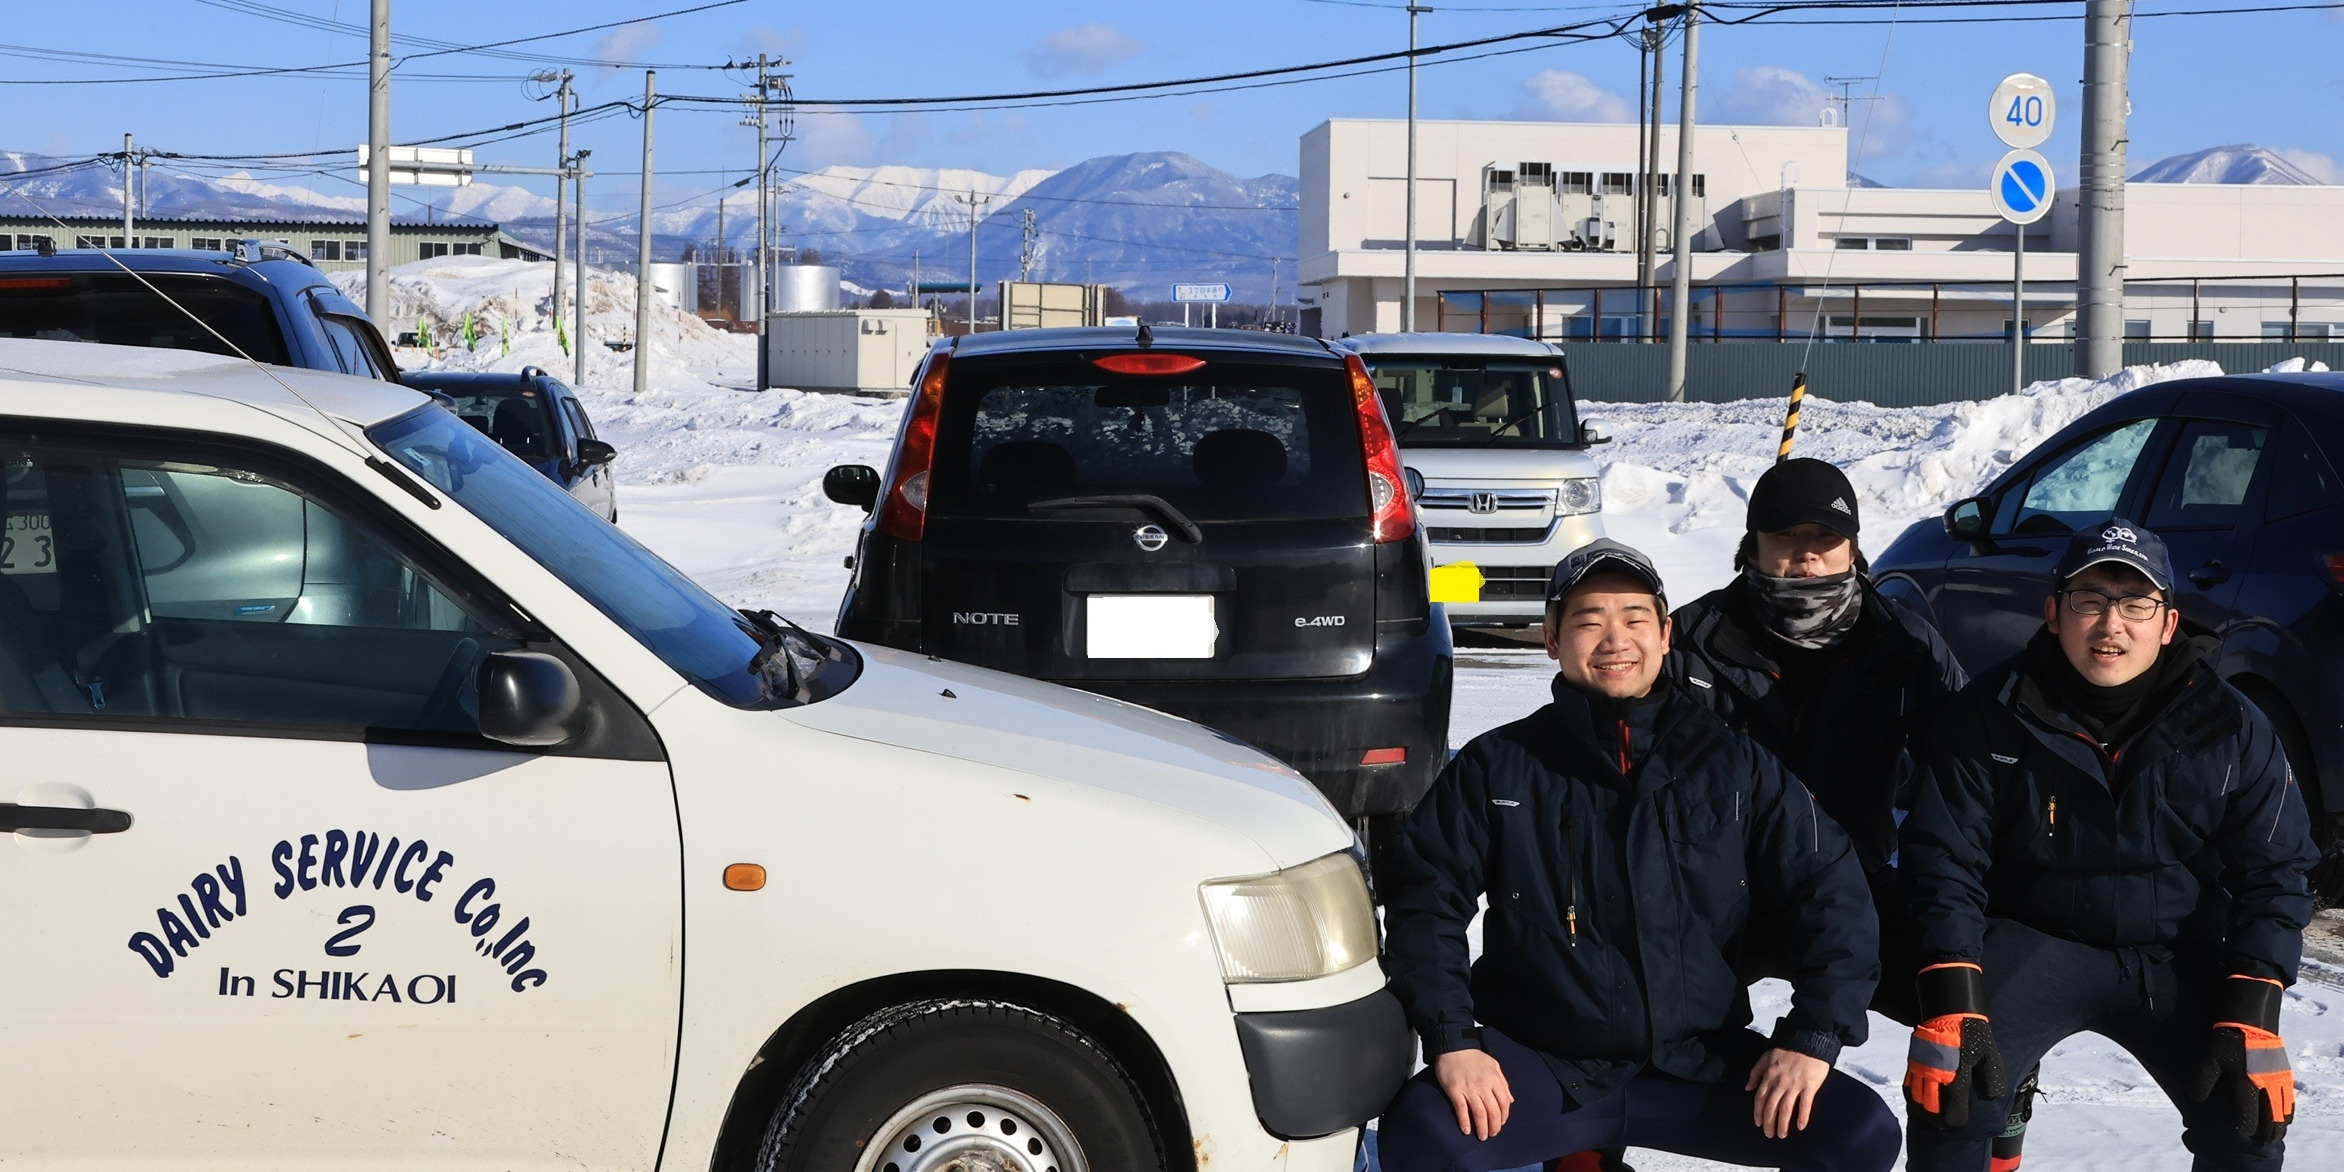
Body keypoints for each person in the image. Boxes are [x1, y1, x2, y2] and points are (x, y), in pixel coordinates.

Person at [1378, 539, 1900, 1172]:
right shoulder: (1499, 766)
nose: (1613, 638)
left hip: (1695, 1062)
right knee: (1423, 1133)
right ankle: (1580, 1159)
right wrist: (1453, 1038)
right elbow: (1424, 902)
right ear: (1551, 638)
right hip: (1549, 1067)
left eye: (1634, 618)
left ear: (1666, 634)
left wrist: (1814, 1035)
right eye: (1588, 621)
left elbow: (1832, 890)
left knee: (1860, 1134)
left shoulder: (1732, 762)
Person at [1898, 519, 2317, 1172]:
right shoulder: (1988, 713)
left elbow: (2278, 869)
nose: (2110, 625)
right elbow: (1943, 858)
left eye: (2135, 604)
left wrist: (2254, 1003)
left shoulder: (2230, 725)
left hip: (2175, 950)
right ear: (2054, 613)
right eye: (2089, 601)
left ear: (2168, 622)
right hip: (2037, 940)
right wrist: (1953, 994)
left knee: (2249, 1113)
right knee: (1948, 1083)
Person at [1666, 456, 1967, 1028]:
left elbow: (1969, 772)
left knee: (1969, 1012)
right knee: (1660, 1020)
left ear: (1851, 548)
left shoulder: (1903, 643)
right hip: (1720, 893)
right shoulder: (1688, 641)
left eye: (1824, 537)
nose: (1806, 554)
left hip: (1857, 883)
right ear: (1751, 545)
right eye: (1785, 535)